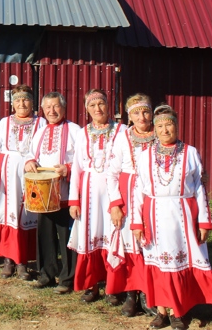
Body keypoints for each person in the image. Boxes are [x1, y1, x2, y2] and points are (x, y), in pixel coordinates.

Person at [131, 105, 212, 330]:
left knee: (179, 263)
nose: (165, 130)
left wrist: (204, 221)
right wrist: (137, 222)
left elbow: (199, 189)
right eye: (160, 126)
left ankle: (180, 311)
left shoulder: (190, 153)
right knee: (159, 264)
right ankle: (161, 312)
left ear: (176, 126)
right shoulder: (145, 156)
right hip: (154, 216)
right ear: (154, 130)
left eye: (169, 125)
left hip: (182, 217)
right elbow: (138, 190)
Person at [0, 84, 45, 280]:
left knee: (26, 215)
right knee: (7, 215)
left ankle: (23, 262)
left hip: (30, 175)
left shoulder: (40, 123)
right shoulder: (5, 122)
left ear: (32, 102)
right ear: (12, 103)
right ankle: (8, 260)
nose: (21, 103)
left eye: (25, 99)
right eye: (17, 100)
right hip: (6, 177)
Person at [69, 88, 126, 303]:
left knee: (114, 236)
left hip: (114, 193)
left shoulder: (121, 131)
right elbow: (76, 168)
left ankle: (113, 287)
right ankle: (91, 285)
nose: (97, 109)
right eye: (92, 105)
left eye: (101, 104)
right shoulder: (83, 133)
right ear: (86, 109)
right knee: (90, 237)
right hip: (89, 193)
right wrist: (74, 199)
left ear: (108, 105)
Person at [106, 93, 157, 316]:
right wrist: (116, 204)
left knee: (151, 243)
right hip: (127, 196)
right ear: (129, 116)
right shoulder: (123, 137)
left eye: (145, 111)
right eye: (136, 112)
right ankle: (131, 293)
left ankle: (150, 294)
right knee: (130, 245)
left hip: (154, 197)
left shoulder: (161, 133)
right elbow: (112, 173)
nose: (142, 116)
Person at [32, 91, 80, 293]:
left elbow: (82, 159)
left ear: (64, 107)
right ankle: (46, 273)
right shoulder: (40, 130)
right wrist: (29, 162)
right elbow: (30, 152)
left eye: (56, 106)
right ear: (43, 110)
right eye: (48, 107)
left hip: (66, 192)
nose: (52, 111)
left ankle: (67, 279)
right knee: (45, 233)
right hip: (44, 193)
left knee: (65, 236)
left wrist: (68, 168)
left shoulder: (75, 130)